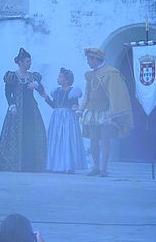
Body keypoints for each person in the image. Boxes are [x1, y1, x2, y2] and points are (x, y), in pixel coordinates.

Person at [80, 47, 133, 177]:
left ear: (95, 59)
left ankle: (104, 168)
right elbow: (87, 94)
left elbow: (116, 94)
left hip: (105, 112)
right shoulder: (90, 75)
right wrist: (81, 110)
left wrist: (115, 111)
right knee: (93, 140)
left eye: (89, 59)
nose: (87, 62)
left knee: (105, 140)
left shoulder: (111, 73)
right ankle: (96, 167)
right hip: (92, 112)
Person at [0, 48, 47, 172]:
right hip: (17, 111)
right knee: (16, 135)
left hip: (31, 111)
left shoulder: (33, 76)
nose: (30, 64)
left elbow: (41, 90)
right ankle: (16, 164)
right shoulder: (12, 76)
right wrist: (12, 105)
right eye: (27, 61)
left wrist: (38, 87)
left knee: (31, 135)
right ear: (20, 62)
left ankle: (31, 164)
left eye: (30, 61)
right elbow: (8, 93)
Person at [41, 68, 87, 173]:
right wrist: (46, 98)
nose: (58, 79)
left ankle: (68, 165)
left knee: (67, 139)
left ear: (66, 80)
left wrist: (76, 108)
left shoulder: (72, 92)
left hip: (67, 118)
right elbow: (54, 105)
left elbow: (75, 105)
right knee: (56, 140)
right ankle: (55, 165)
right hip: (57, 117)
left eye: (61, 77)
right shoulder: (56, 91)